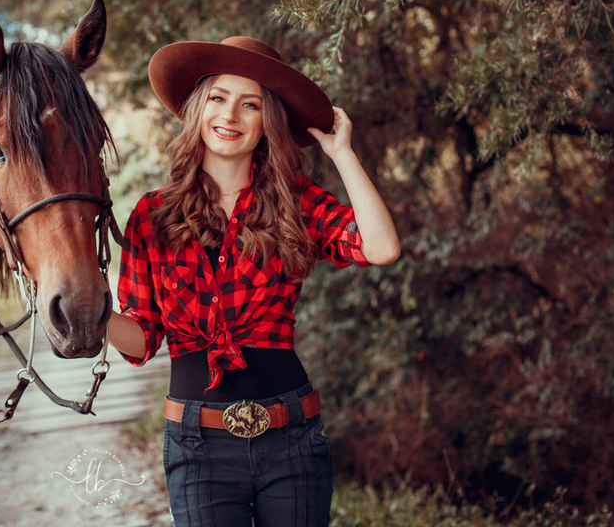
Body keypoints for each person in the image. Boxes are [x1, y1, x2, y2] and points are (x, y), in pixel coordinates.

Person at [107, 36, 401, 527]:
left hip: (293, 438)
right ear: (198, 107)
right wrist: (94, 318)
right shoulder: (151, 216)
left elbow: (381, 247)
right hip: (197, 445)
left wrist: (342, 154)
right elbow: (141, 338)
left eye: (251, 105)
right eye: (219, 98)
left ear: (269, 121)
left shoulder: (296, 203)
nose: (231, 116)